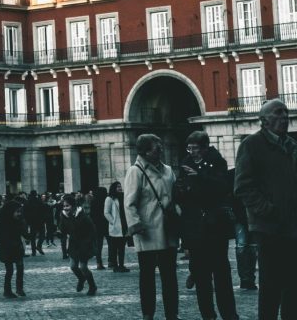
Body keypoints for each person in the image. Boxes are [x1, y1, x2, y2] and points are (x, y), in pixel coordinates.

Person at [235, 97, 297, 320]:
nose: (284, 117)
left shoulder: (291, 146)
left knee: (293, 285)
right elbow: (243, 186)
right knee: (270, 285)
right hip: (268, 227)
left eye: (286, 113)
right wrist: (268, 210)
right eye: (278, 113)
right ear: (264, 121)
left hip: (292, 227)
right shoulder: (251, 145)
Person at [175, 130, 238, 320]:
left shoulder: (217, 161)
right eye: (189, 148)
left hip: (215, 226)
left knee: (221, 274)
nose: (191, 151)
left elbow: (222, 187)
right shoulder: (185, 163)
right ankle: (207, 315)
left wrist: (199, 177)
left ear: (204, 148)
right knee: (201, 276)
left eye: (195, 148)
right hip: (195, 227)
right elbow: (181, 195)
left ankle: (229, 314)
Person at [125, 133, 180, 320]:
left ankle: (172, 313)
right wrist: (135, 225)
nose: (161, 150)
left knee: (170, 277)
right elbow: (129, 203)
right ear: (146, 151)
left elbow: (176, 196)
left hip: (168, 229)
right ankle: (148, 313)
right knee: (147, 277)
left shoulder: (168, 170)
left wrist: (178, 213)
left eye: (161, 146)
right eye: (157, 147)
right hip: (147, 231)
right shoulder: (136, 171)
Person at [0, 196, 26, 298]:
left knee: (20, 268)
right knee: (9, 271)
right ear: (10, 212)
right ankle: (7, 291)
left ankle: (19, 289)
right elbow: (3, 239)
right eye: (17, 212)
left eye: (20, 211)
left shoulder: (18, 221)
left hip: (17, 248)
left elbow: (23, 232)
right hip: (7, 250)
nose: (19, 214)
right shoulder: (4, 224)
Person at [68, 195, 98, 296]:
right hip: (74, 245)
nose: (65, 208)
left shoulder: (84, 217)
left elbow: (93, 231)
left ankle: (92, 286)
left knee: (83, 267)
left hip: (84, 245)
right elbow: (64, 228)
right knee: (73, 266)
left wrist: (88, 243)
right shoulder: (67, 215)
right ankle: (81, 278)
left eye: (67, 205)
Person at [104, 181, 130, 273]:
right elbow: (106, 212)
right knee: (115, 248)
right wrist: (113, 222)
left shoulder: (123, 197)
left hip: (124, 225)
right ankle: (115, 265)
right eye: (118, 186)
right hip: (116, 226)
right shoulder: (109, 198)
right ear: (114, 188)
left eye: (120, 186)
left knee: (122, 248)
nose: (120, 188)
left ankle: (121, 265)